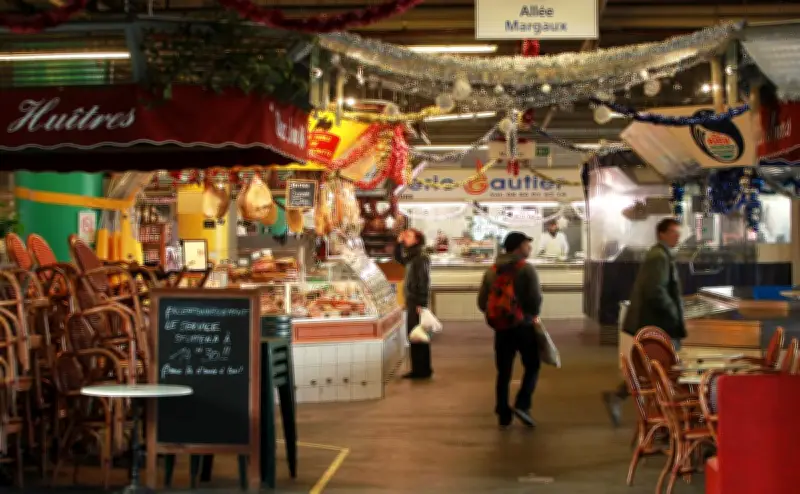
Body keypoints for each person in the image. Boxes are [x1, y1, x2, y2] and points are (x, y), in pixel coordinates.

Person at [602, 218, 686, 426]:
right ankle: (663, 414)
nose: (678, 237)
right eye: (674, 232)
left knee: (651, 368)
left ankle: (623, 398)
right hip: (657, 323)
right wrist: (674, 313)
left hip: (655, 321)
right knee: (659, 368)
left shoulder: (661, 255)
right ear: (662, 234)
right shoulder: (658, 256)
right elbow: (655, 290)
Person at [477, 232, 543, 428]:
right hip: (524, 327)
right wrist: (530, 315)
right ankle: (522, 404)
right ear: (517, 247)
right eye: (526, 244)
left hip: (502, 328)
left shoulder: (492, 270)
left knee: (503, 371)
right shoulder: (526, 269)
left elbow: (482, 302)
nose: (529, 248)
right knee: (532, 365)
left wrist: (499, 314)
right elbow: (535, 300)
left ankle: (503, 412)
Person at [394, 228, 433, 379]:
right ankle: (421, 369)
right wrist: (398, 244)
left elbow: (423, 281)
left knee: (418, 335)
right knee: (417, 335)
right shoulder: (412, 256)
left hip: (416, 302)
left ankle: (421, 370)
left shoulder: (420, 257)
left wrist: (421, 303)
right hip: (413, 300)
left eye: (409, 236)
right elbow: (399, 260)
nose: (405, 238)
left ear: (417, 240)